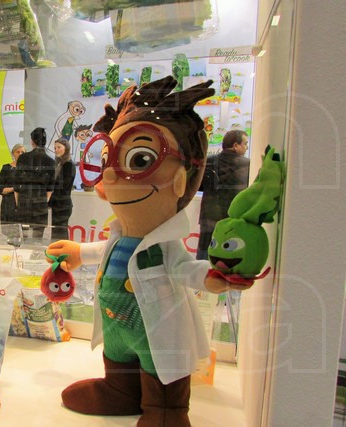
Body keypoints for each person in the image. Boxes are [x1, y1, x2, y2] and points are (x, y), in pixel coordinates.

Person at [46, 77, 259, 424]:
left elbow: (185, 267)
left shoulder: (164, 245)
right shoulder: (120, 235)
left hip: (157, 329)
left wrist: (210, 277)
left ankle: (165, 409)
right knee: (118, 357)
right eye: (107, 159)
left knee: (160, 365)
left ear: (180, 179)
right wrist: (79, 251)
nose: (110, 177)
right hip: (117, 327)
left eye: (139, 159)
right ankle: (120, 391)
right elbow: (105, 250)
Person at [196, 129, 250, 260]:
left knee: (204, 257)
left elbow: (199, 185)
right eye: (245, 143)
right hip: (233, 218)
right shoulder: (248, 164)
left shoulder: (209, 162)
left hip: (209, 217)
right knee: (229, 256)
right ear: (235, 145)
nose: (247, 147)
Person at [15, 127, 55, 239]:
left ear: (32, 141)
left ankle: (23, 250)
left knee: (23, 236)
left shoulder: (23, 158)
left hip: (24, 199)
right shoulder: (50, 161)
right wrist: (44, 202)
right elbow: (50, 187)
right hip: (40, 200)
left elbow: (16, 183)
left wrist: (18, 203)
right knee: (38, 237)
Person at [50, 139, 76, 240]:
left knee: (60, 233)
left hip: (63, 204)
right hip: (58, 203)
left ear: (66, 148)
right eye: (55, 148)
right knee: (56, 232)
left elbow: (64, 185)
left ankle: (62, 250)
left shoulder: (68, 164)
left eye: (59, 147)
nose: (56, 150)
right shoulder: (60, 164)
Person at [0, 144, 25, 224]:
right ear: (13, 154)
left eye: (22, 152)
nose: (20, 154)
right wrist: (14, 188)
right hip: (8, 204)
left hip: (24, 205)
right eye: (18, 152)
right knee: (8, 229)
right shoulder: (6, 168)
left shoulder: (28, 169)